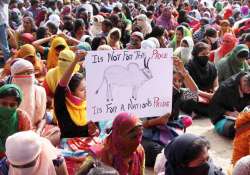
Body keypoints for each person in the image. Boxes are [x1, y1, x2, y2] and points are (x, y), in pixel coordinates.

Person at [142, 57, 195, 167]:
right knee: (154, 151)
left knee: (186, 147)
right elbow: (139, 124)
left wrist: (184, 72)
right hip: (149, 131)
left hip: (169, 128)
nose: (177, 84)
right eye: (173, 80)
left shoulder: (180, 93)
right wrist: (157, 121)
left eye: (180, 81)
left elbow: (195, 93)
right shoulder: (149, 93)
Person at [54, 50, 98, 138]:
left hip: (87, 145)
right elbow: (62, 85)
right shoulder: (62, 105)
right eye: (82, 90)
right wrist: (75, 60)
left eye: (87, 88)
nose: (86, 92)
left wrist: (95, 131)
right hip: (67, 147)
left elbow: (97, 129)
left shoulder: (90, 105)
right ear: (71, 92)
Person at [210, 72, 250, 138]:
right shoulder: (225, 88)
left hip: (244, 115)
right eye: (248, 90)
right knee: (234, 129)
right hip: (224, 119)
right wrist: (228, 112)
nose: (249, 92)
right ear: (244, 82)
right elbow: (213, 107)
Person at [184, 42, 218, 116]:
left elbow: (216, 85)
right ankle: (204, 111)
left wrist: (215, 91)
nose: (206, 56)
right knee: (187, 96)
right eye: (203, 54)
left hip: (208, 94)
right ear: (196, 55)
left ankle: (198, 112)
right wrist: (208, 96)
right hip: (195, 93)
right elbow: (191, 88)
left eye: (207, 54)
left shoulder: (212, 66)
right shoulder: (189, 66)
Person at [0, 84, 31, 159]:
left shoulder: (22, 117)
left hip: (17, 155)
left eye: (12, 105)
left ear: (18, 105)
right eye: (4, 104)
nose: (8, 108)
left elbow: (27, 140)